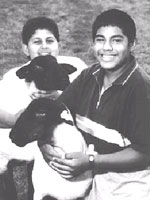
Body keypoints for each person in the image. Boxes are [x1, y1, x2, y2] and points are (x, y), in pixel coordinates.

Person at [40, 9, 150, 200]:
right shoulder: (88, 76)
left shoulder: (140, 88)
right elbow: (55, 112)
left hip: (130, 187)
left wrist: (90, 161)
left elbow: (144, 153)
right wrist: (44, 145)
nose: (107, 47)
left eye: (116, 40)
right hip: (92, 183)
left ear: (132, 44)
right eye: (100, 39)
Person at [0, 16, 87, 200]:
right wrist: (18, 117)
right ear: (25, 48)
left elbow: (91, 103)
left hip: (68, 139)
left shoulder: (75, 67)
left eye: (50, 41)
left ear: (58, 44)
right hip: (29, 139)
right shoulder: (13, 79)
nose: (44, 47)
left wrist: (59, 97)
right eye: (36, 42)